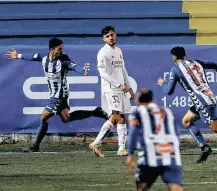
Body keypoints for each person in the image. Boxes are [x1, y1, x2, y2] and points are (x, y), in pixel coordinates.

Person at [157, 46, 217, 172]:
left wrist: (162, 83)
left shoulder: (175, 69)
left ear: (174, 59)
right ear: (185, 56)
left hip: (203, 103)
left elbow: (169, 91)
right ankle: (204, 148)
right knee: (186, 121)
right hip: (206, 99)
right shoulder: (196, 62)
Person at [5, 38, 109, 152]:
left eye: (62, 48)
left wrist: (82, 70)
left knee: (44, 117)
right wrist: (18, 55)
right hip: (55, 94)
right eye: (59, 48)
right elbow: (33, 57)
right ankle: (96, 112)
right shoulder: (44, 58)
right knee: (66, 118)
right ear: (51, 49)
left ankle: (35, 145)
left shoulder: (63, 60)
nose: (61, 50)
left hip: (59, 95)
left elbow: (73, 66)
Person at [89, 26, 135, 157]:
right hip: (111, 88)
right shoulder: (103, 52)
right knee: (116, 115)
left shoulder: (119, 51)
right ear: (104, 39)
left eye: (112, 35)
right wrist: (118, 85)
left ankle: (121, 148)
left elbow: (123, 70)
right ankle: (96, 143)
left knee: (122, 117)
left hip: (121, 88)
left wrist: (129, 87)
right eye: (107, 36)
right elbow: (102, 73)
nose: (110, 38)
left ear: (116, 35)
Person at [126, 89, 183, 191]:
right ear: (153, 100)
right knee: (176, 188)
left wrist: (130, 154)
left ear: (137, 102)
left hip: (149, 157)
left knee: (142, 188)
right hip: (170, 155)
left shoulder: (137, 112)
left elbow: (133, 132)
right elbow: (176, 133)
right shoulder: (167, 111)